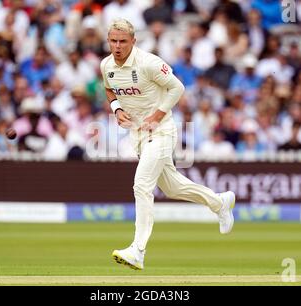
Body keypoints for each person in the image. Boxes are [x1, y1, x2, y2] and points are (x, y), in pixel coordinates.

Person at [100, 19, 235, 270]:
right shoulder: (106, 65)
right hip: (138, 135)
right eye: (113, 41)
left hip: (162, 132)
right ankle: (220, 203)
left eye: (123, 41)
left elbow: (177, 87)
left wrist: (157, 115)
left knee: (141, 185)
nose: (117, 46)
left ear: (133, 41)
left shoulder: (148, 62)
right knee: (173, 188)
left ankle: (138, 250)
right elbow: (109, 89)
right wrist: (117, 109)